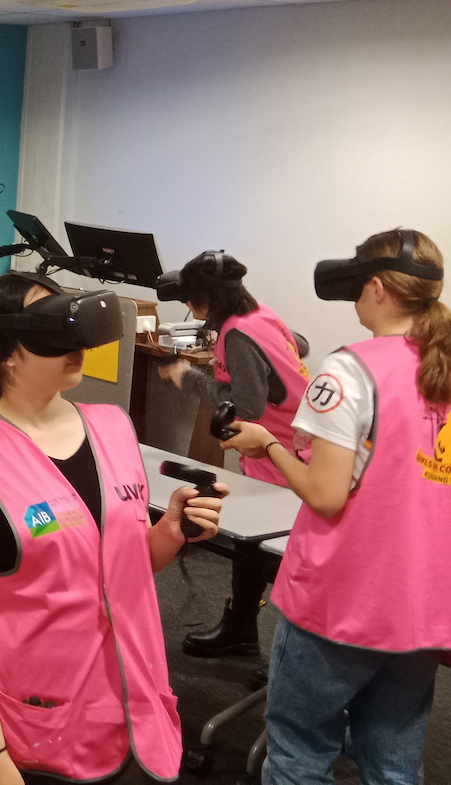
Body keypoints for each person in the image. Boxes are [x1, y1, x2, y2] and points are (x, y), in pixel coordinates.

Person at [0, 273, 223, 784]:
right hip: (35, 716)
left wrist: (171, 529)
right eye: (50, 329)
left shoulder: (114, 426)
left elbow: (126, 567)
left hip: (127, 700)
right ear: (6, 353)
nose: (75, 345)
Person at [222, 228, 451, 785]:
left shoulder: (350, 370)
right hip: (423, 601)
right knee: (394, 761)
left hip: (342, 600)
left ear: (375, 288)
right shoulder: (447, 365)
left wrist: (268, 444)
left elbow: (326, 495)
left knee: (301, 751)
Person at [156, 250, 310, 659]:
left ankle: (300, 648)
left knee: (271, 549)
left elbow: (249, 406)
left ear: (206, 300)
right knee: (251, 545)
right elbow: (300, 346)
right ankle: (242, 628)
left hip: (277, 449)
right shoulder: (260, 314)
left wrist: (186, 377)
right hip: (291, 441)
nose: (189, 308)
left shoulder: (237, 333)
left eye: (190, 300)